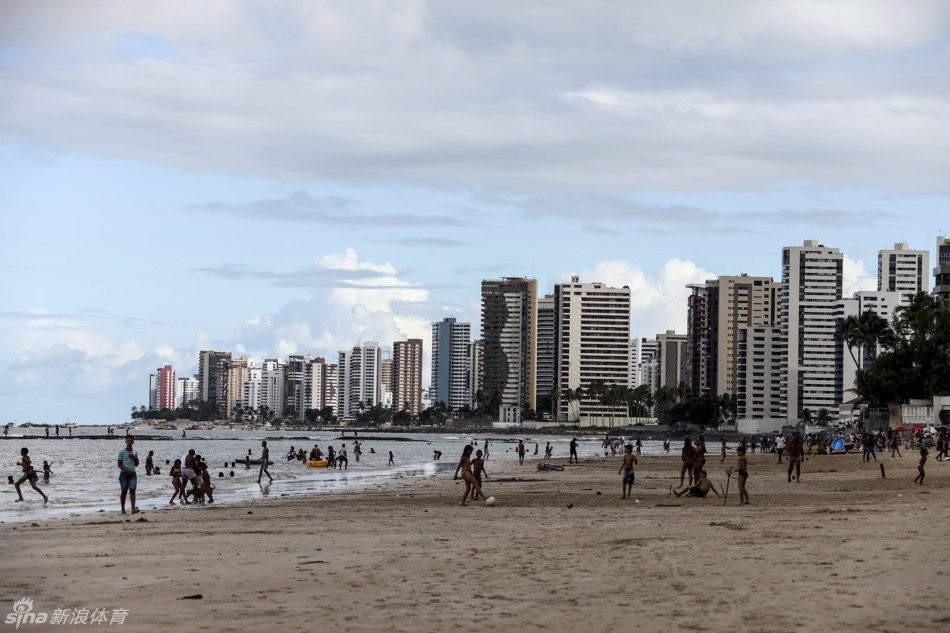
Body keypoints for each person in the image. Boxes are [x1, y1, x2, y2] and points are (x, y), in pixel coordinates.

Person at [117, 436, 139, 514]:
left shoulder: (134, 452)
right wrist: (127, 470)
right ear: (126, 441)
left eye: (131, 440)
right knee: (124, 491)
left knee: (132, 490)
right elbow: (119, 464)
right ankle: (123, 509)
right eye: (128, 440)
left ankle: (133, 508)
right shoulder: (122, 452)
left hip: (133, 473)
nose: (129, 442)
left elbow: (137, 464)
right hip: (124, 474)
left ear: (133, 442)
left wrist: (135, 458)